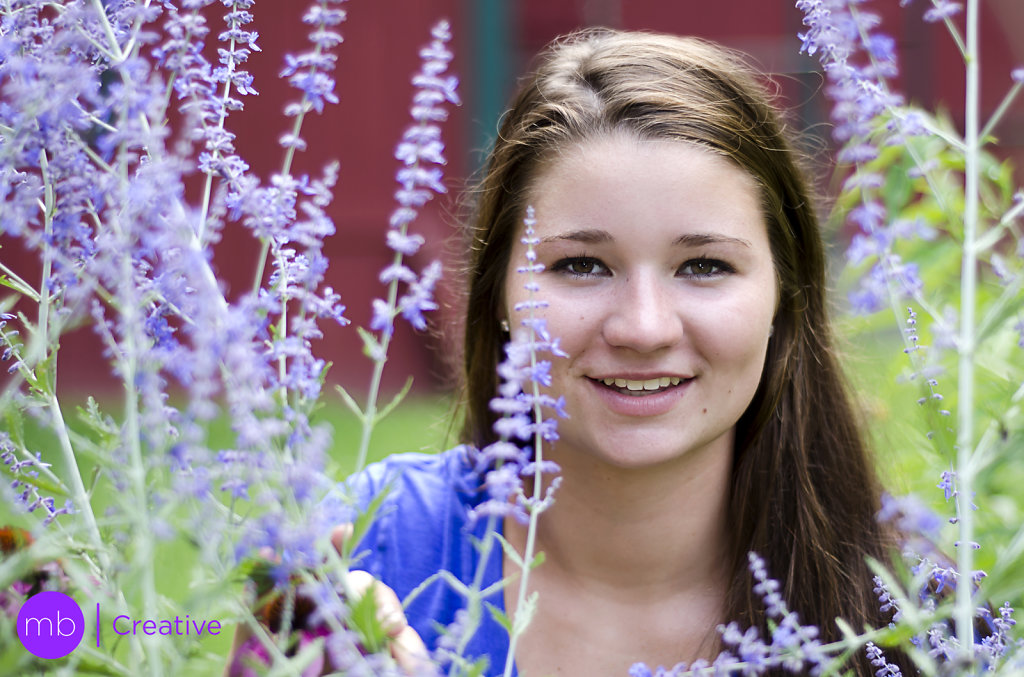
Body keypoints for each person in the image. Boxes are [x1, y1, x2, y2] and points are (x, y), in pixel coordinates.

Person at [244, 28, 910, 676]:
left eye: (704, 265)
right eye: (583, 265)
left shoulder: (910, 615)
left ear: (785, 298)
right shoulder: (369, 546)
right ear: (498, 292)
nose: (644, 328)